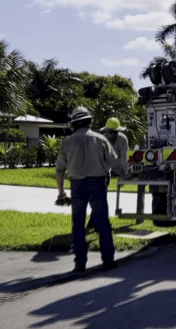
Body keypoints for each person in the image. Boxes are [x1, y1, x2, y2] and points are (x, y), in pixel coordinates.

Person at [56, 106, 122, 272]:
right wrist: (125, 173)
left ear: (74, 124)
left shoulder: (68, 142)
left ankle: (80, 263)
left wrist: (61, 191)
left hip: (76, 185)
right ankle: (108, 260)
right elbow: (114, 163)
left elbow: (59, 169)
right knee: (102, 223)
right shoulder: (100, 139)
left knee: (78, 224)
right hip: (97, 184)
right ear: (89, 122)